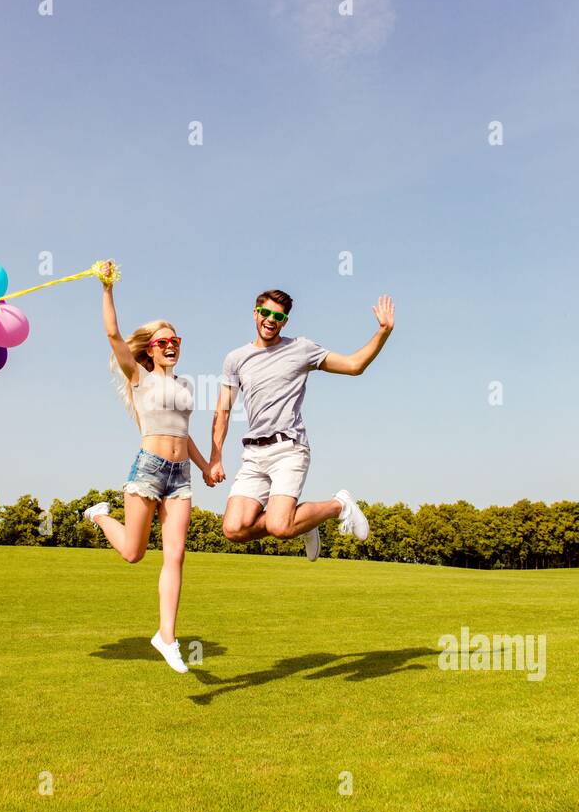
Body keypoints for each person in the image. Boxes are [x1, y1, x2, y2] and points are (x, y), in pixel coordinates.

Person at [82, 277, 217, 674]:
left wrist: (206, 464)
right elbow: (112, 332)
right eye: (162, 342)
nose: (171, 345)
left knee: (176, 554)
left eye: (175, 340)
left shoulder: (186, 385)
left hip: (182, 475)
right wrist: (107, 288)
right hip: (148, 470)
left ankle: (167, 636)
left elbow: (183, 432)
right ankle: (99, 515)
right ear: (150, 349)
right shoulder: (139, 378)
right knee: (133, 553)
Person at [209, 289, 394, 560]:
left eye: (279, 316)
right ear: (255, 313)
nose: (271, 320)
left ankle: (338, 506)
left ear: (285, 321)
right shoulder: (236, 359)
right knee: (233, 529)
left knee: (279, 525)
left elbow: (354, 365)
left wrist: (384, 332)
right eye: (266, 313)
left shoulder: (301, 349)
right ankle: (304, 522)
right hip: (253, 454)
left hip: (288, 448)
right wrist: (215, 457)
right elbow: (222, 409)